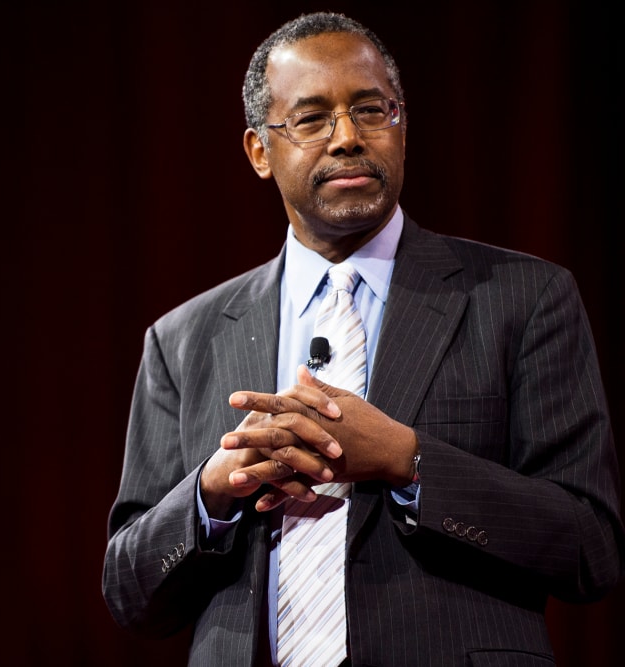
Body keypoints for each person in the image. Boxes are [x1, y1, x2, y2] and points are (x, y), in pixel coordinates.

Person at [101, 11, 623, 667]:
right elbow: (130, 592)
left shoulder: (524, 298)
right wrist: (211, 491)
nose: (348, 137)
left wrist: (408, 459)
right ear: (260, 150)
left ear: (402, 128)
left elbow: (590, 548)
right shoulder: (183, 340)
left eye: (371, 110)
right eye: (312, 118)